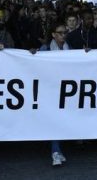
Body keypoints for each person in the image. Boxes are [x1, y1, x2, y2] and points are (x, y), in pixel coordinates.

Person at [32, 22, 69, 166]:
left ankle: (57, 150)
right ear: (53, 34)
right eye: (60, 32)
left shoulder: (69, 48)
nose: (64, 35)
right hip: (49, 90)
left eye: (65, 32)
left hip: (64, 90)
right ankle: (55, 151)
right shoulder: (45, 49)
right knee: (55, 120)